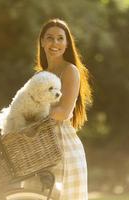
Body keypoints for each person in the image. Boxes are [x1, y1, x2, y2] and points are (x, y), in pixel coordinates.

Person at [34, 18, 93, 200]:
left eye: (60, 38)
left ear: (67, 44)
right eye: (50, 38)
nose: (55, 43)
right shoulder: (40, 75)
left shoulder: (70, 71)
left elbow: (63, 112)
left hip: (63, 149)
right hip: (40, 149)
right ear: (42, 42)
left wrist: (33, 116)